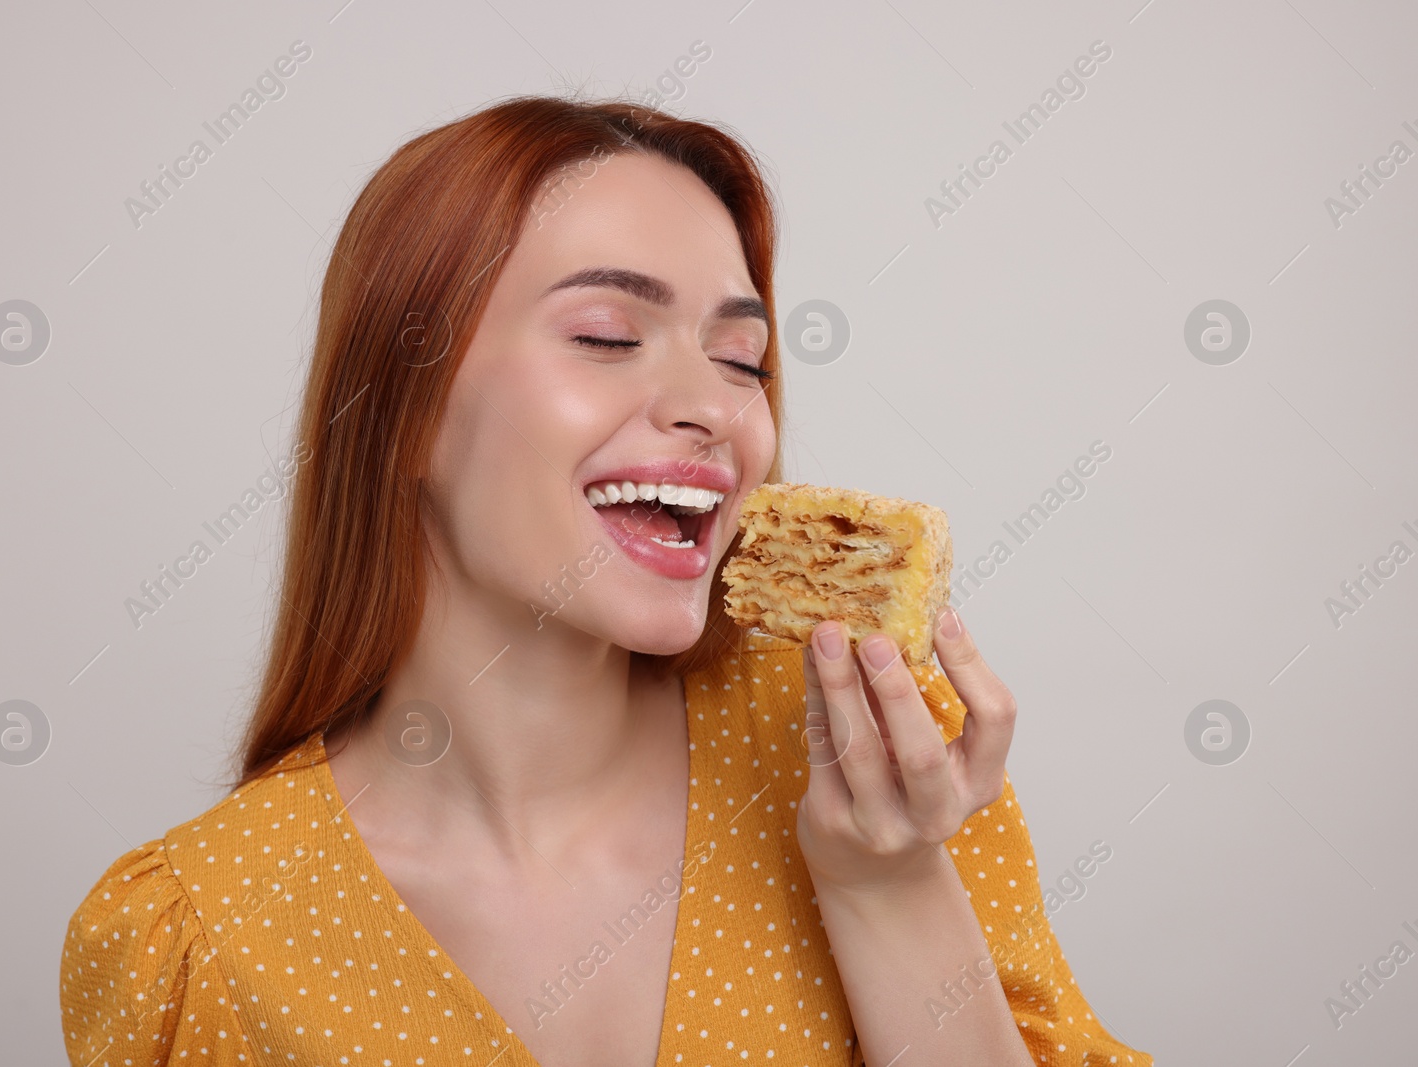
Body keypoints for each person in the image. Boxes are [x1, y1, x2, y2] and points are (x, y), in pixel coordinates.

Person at [59, 94, 1152, 1066]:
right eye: (606, 333)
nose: (716, 408)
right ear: (403, 411)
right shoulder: (201, 933)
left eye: (740, 360)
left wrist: (888, 884)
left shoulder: (874, 762)